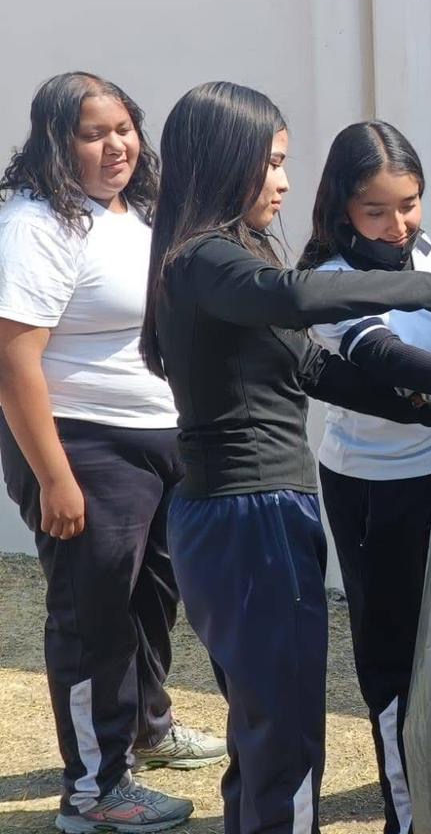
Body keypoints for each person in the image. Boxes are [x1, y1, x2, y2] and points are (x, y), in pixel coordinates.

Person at [139, 82, 431, 834]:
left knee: (268, 729)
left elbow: (315, 369)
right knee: (285, 735)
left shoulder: (231, 257)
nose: (285, 182)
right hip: (247, 513)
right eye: (271, 162)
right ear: (225, 160)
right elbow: (297, 298)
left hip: (256, 512)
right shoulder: (206, 261)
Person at [0, 72, 223, 834]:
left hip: (159, 442)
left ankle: (146, 733)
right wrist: (54, 477)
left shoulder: (135, 213)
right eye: (93, 134)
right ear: (56, 143)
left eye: (123, 128)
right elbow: (13, 363)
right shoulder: (36, 225)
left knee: (152, 602)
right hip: (83, 446)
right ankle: (93, 793)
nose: (116, 145)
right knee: (92, 616)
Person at [297, 121, 431, 834]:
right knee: (393, 659)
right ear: (342, 208)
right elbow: (382, 355)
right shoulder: (330, 281)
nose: (398, 225)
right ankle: (408, 817)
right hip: (375, 488)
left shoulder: (421, 251)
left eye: (410, 204)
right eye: (377, 211)